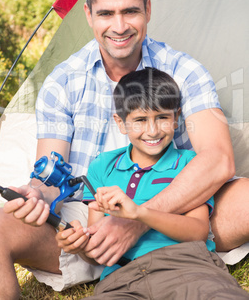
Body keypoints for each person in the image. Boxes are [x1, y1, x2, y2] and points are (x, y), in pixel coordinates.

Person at [0, 0, 248, 299]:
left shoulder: (184, 71)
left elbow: (218, 160)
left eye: (130, 11)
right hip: (86, 222)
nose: (119, 26)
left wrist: (137, 221)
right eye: (106, 14)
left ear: (148, 10)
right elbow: (52, 177)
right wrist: (37, 193)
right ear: (89, 14)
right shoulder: (63, 81)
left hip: (174, 206)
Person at [55, 68, 248, 299]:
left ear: (176, 118)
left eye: (162, 118)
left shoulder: (190, 165)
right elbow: (98, 252)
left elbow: (198, 232)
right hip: (121, 279)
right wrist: (80, 245)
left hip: (189, 267)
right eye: (140, 120)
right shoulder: (102, 167)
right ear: (121, 123)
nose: (153, 130)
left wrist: (140, 213)